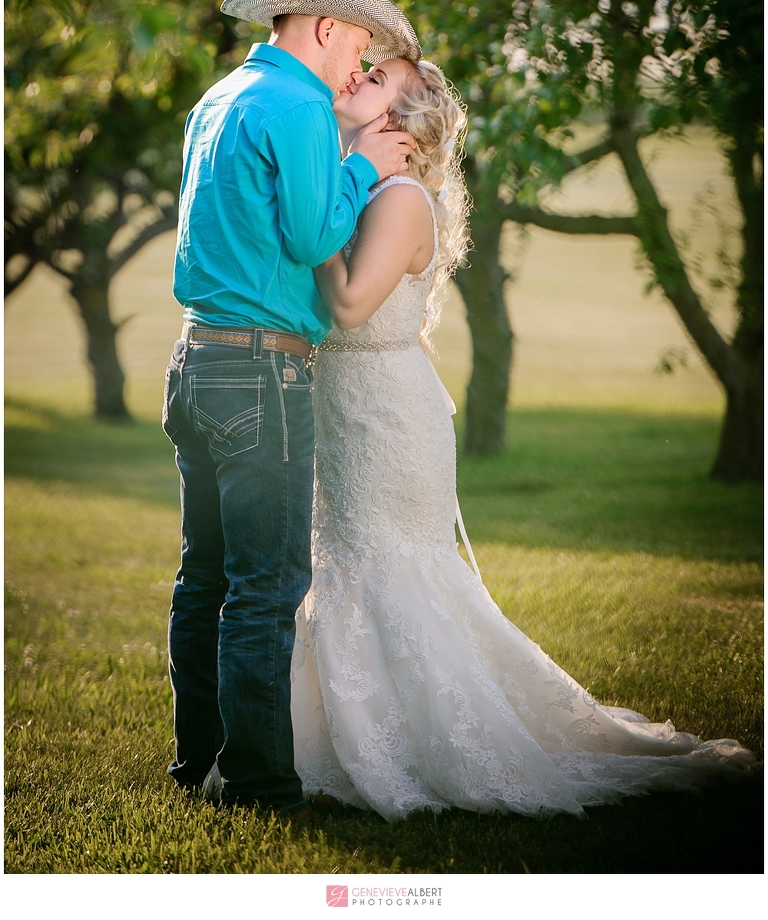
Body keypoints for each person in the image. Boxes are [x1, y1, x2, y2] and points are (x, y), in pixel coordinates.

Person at [290, 56, 752, 821]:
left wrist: (303, 223)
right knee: (350, 562)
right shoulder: (366, 185)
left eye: (374, 79)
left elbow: (344, 306)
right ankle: (345, 737)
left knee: (392, 570)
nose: (355, 77)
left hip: (385, 420)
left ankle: (436, 745)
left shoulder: (400, 198)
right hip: (350, 410)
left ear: (400, 123)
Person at [162, 0, 420, 814]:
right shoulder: (302, 106)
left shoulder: (220, 97)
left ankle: (194, 759)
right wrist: (366, 167)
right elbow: (315, 241)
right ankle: (261, 784)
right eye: (360, 47)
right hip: (263, 373)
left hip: (195, 359)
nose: (359, 68)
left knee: (204, 578)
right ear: (323, 27)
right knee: (267, 589)